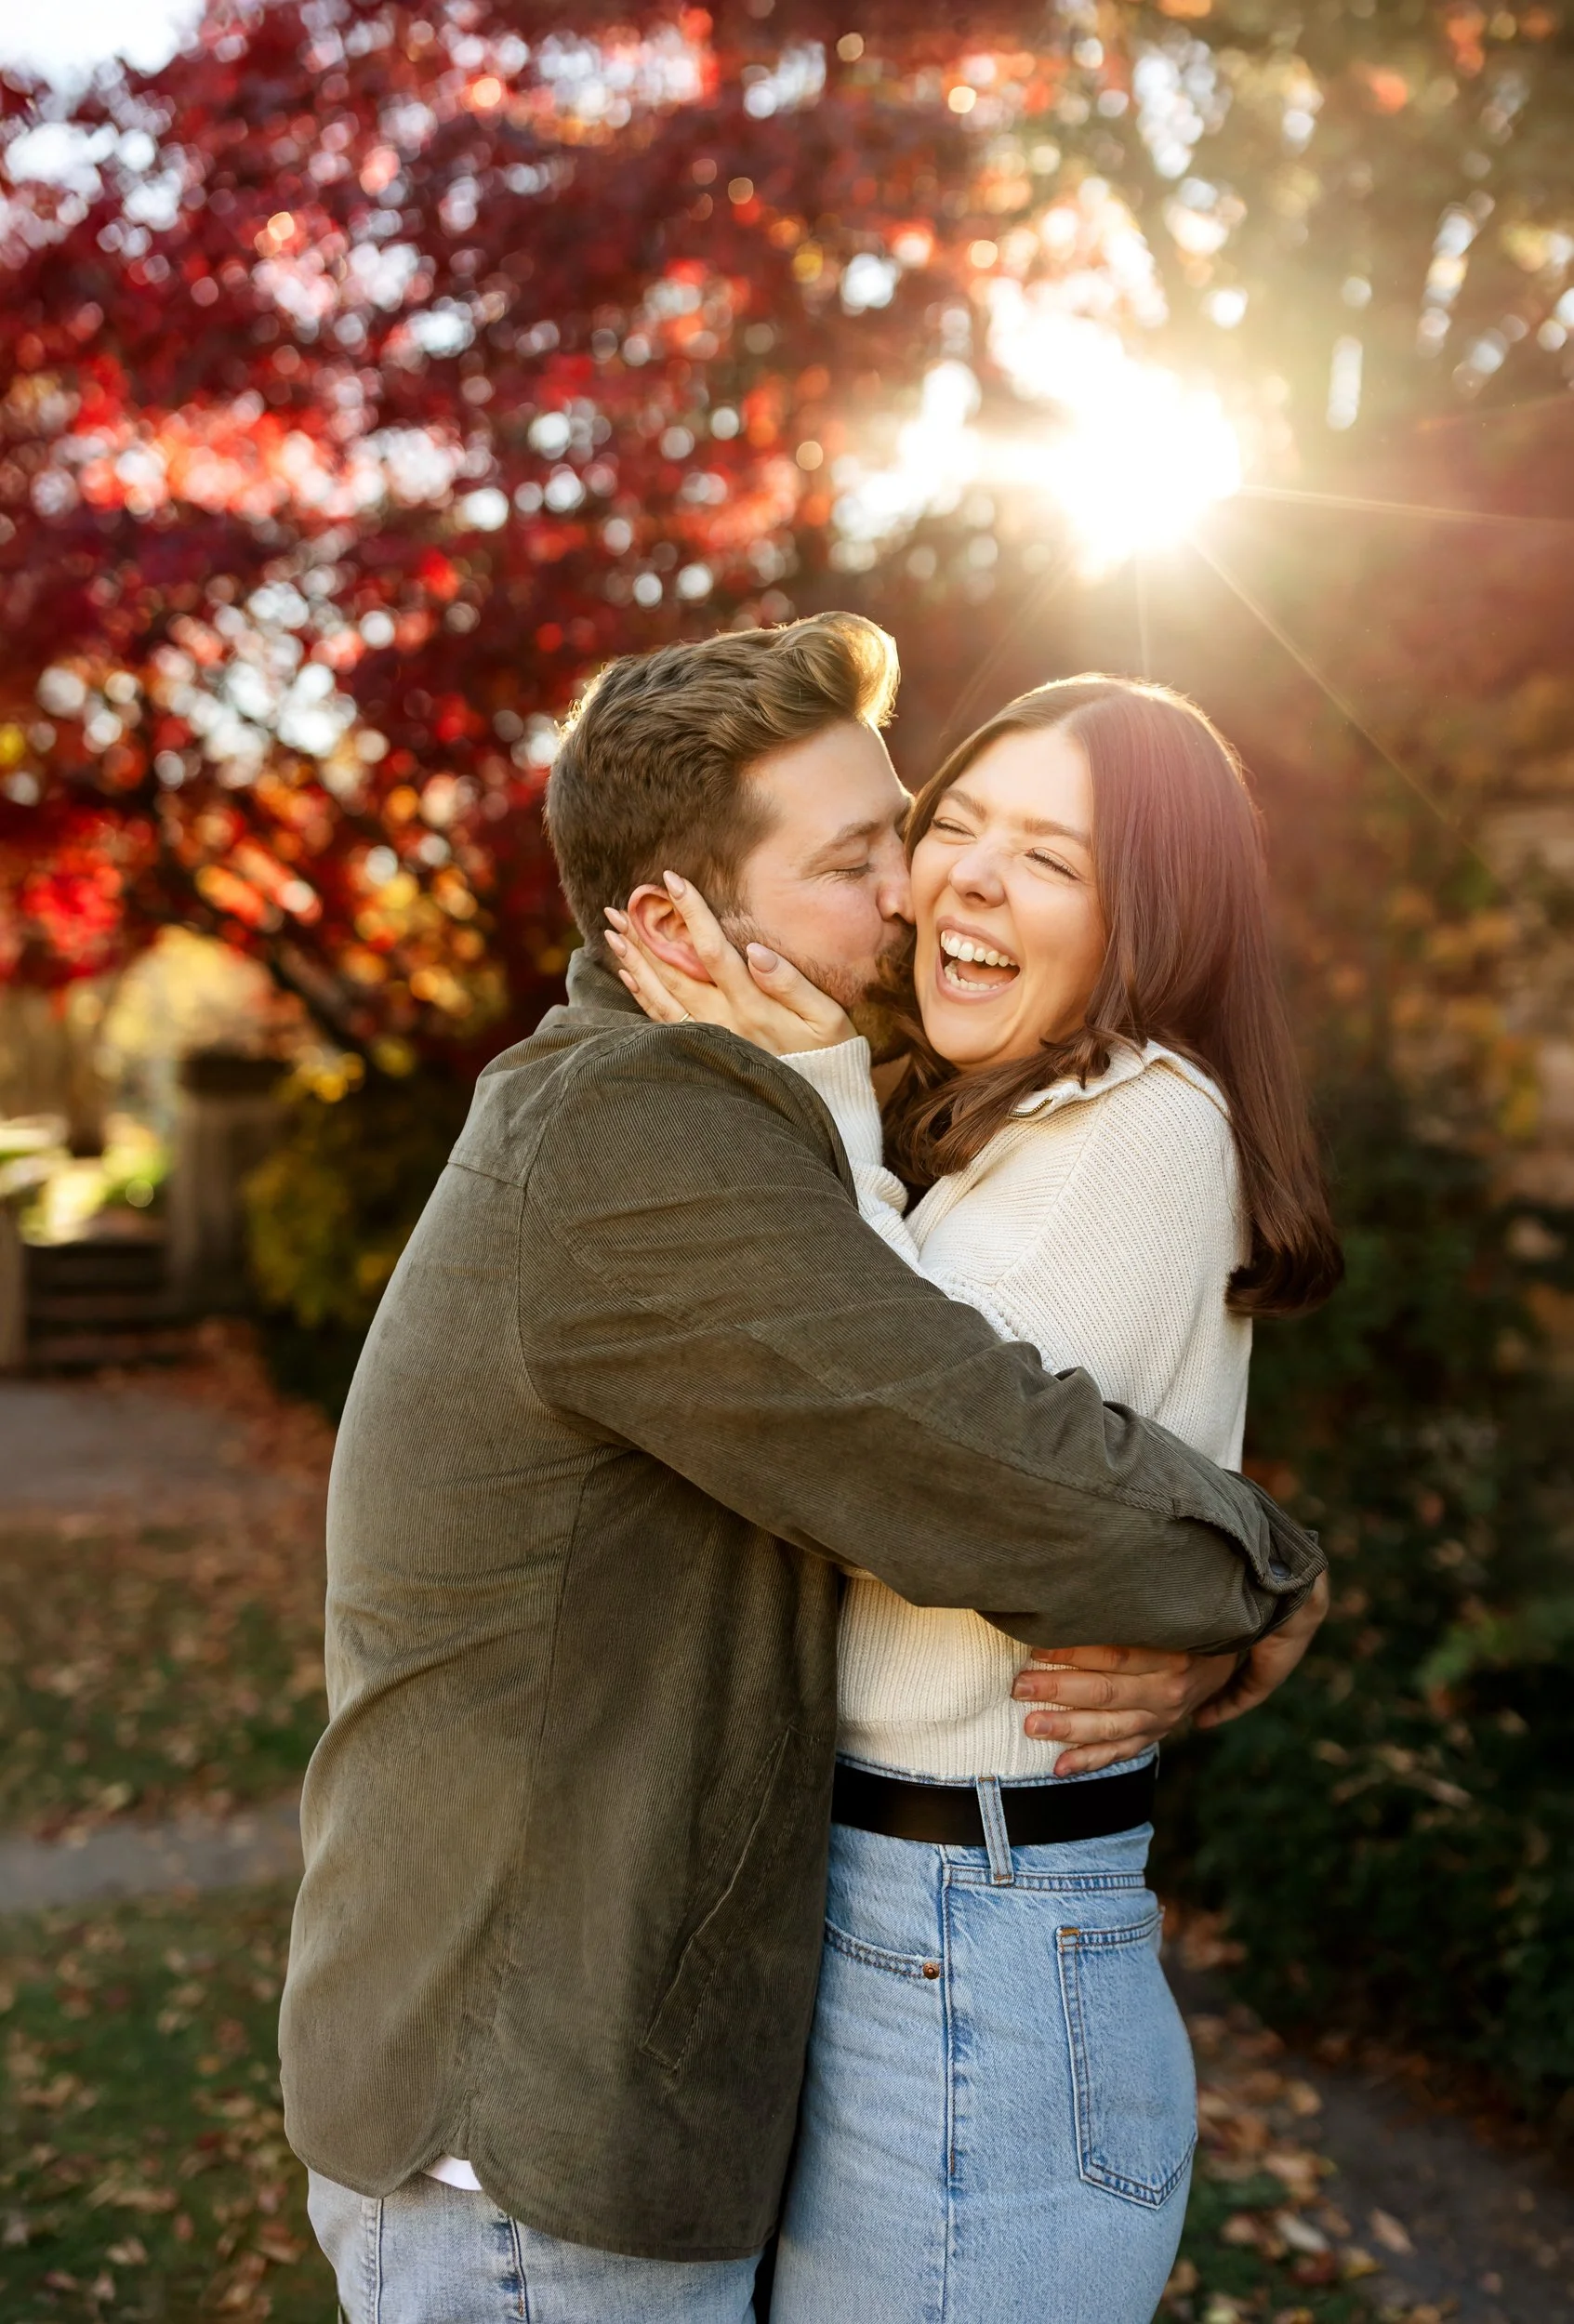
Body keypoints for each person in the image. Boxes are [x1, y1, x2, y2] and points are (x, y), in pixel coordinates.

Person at [282, 616, 1328, 2324]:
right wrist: (1273, 1585)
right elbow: (990, 1467)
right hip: (528, 2108)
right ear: (675, 924)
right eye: (868, 859)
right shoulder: (650, 1144)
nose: (920, 893)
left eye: (906, 836)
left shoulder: (747, 1117)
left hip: (621, 2066)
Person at [609, 671, 1343, 2324]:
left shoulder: (1142, 1123)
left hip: (973, 1937)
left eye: (1054, 859)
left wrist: (807, 1090)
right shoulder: (1020, 1132)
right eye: (960, 826)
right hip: (917, 1911)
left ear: (1151, 922)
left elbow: (920, 1453)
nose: (970, 880)